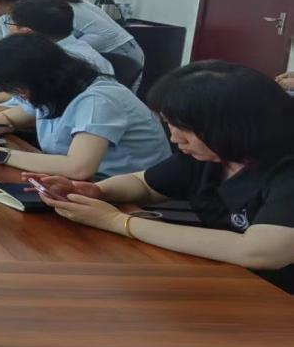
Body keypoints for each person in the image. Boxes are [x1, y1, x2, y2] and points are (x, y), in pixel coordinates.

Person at [31, 61, 294, 293]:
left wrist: (118, 222)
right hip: (229, 277)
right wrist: (98, 191)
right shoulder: (213, 154)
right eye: (170, 124)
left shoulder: (285, 169)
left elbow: (260, 252)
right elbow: (144, 184)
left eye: (184, 128)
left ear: (232, 128)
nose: (174, 138)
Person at [0, 34, 170, 180]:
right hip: (80, 181)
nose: (16, 94)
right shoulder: (59, 89)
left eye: (15, 88)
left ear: (36, 77)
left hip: (124, 190)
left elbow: (79, 168)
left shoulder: (98, 100)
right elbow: (13, 117)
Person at [10, 0, 145, 71]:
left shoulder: (65, 8)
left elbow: (107, 34)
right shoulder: (58, 6)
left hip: (120, 51)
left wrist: (60, 48)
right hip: (98, 52)